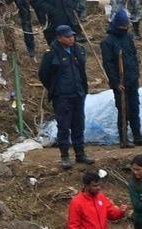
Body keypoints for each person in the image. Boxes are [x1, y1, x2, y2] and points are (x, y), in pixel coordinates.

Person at [39, 26, 90, 172]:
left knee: (78, 124)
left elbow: (81, 70)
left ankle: (80, 153)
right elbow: (44, 75)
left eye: (72, 36)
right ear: (60, 38)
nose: (71, 39)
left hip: (78, 93)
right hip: (62, 96)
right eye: (68, 37)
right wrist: (56, 89)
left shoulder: (77, 50)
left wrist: (82, 89)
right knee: (64, 126)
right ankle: (65, 156)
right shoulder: (51, 54)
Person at [99, 9, 142, 148]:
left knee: (135, 108)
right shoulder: (107, 42)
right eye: (122, 27)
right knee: (124, 110)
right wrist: (115, 82)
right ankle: (123, 138)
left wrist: (136, 74)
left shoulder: (128, 37)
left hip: (132, 79)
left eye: (126, 27)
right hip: (120, 82)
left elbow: (133, 57)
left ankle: (137, 137)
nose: (124, 29)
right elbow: (108, 64)